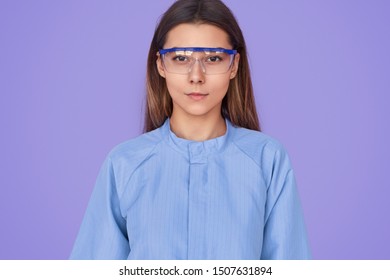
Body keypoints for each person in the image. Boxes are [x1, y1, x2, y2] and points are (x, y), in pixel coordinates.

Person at [70, 0, 311, 260]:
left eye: (214, 58)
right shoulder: (124, 164)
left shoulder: (268, 160)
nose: (197, 75)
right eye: (181, 58)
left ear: (234, 65)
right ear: (161, 65)